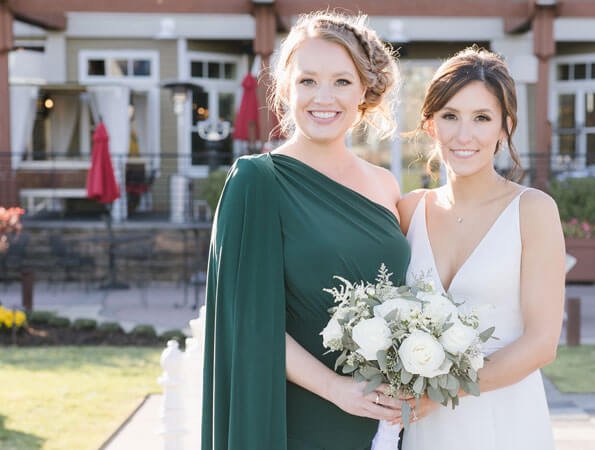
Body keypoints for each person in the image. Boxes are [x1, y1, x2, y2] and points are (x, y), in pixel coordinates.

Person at [201, 13, 409, 449]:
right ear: (285, 89)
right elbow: (246, 321)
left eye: (342, 81)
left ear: (364, 92)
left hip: (383, 421)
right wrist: (338, 390)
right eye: (308, 81)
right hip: (295, 417)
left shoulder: (386, 184)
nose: (324, 97)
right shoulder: (256, 182)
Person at [397, 47, 565, 449]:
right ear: (430, 124)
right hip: (425, 430)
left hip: (506, 420)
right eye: (450, 116)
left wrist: (443, 390)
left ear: (505, 127)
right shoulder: (408, 210)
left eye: (482, 118)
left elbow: (542, 343)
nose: (464, 135)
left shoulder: (533, 211)